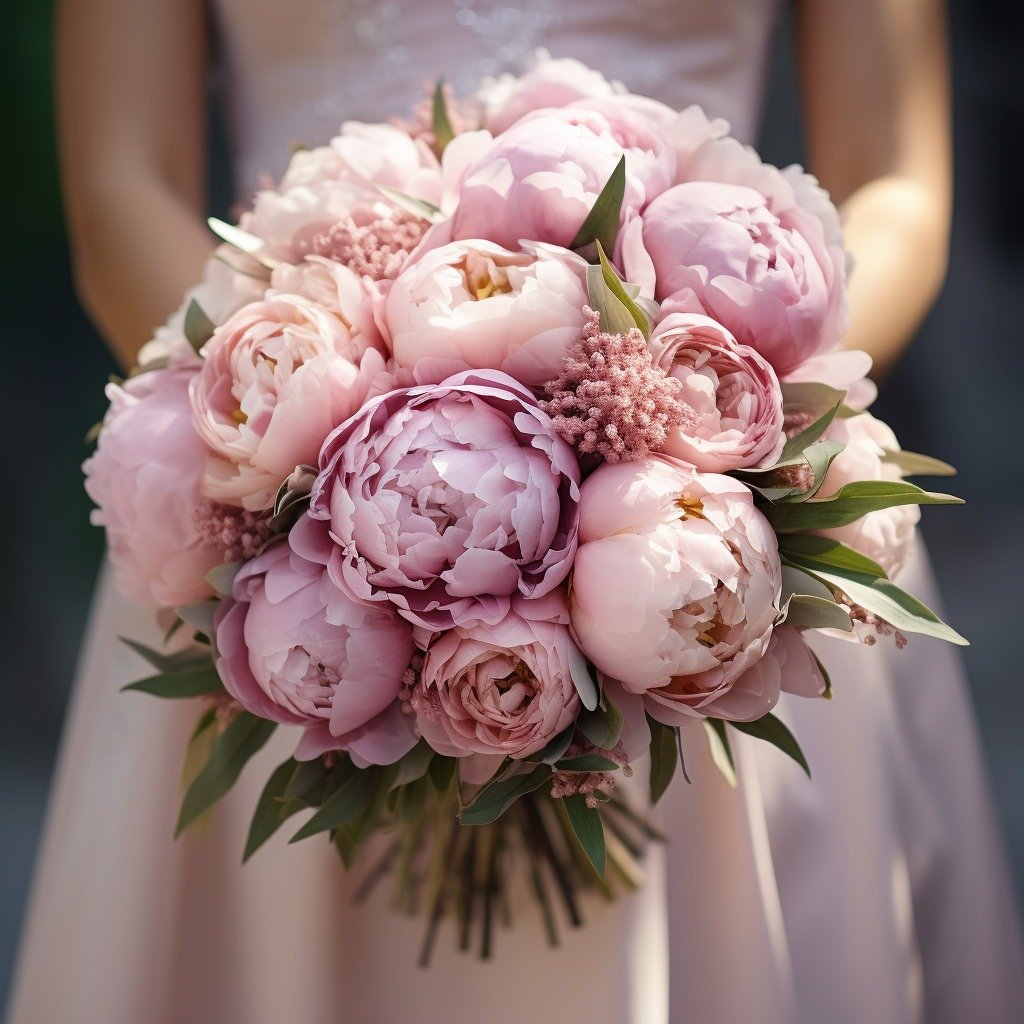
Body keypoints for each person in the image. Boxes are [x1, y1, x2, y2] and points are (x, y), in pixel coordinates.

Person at [8, 1, 1022, 1022]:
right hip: (276, 546)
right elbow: (122, 178)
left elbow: (895, 180)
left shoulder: (710, 481)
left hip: (714, 535)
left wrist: (705, 444)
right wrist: (319, 452)